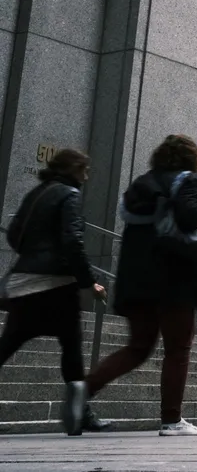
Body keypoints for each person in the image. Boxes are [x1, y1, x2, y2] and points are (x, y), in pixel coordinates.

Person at [85, 135, 197, 436]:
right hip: (173, 280)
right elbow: (190, 217)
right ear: (191, 158)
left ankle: (82, 390)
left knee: (137, 347)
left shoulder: (143, 185)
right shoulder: (186, 181)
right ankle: (172, 420)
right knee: (178, 349)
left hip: (137, 281)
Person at [0, 149, 109, 435]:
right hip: (56, 286)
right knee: (72, 347)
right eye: (84, 170)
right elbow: (72, 241)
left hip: (25, 283)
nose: (86, 176)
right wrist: (89, 281)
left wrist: (34, 256)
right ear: (74, 169)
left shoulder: (38, 193)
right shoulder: (69, 195)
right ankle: (80, 413)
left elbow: (13, 234)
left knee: (8, 343)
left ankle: (82, 412)